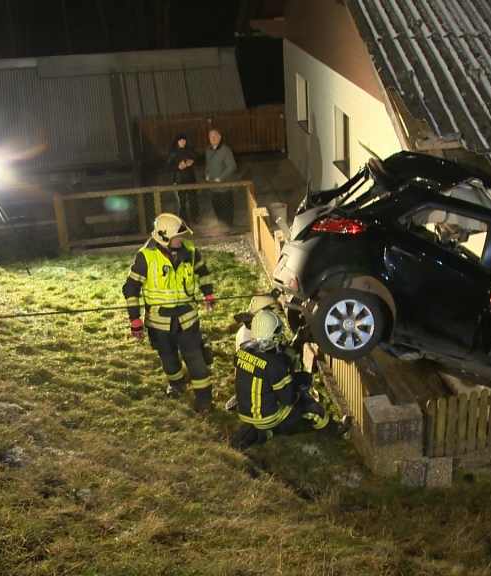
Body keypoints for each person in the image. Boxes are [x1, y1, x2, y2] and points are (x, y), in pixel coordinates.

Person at [123, 213, 217, 412]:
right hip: (159, 323)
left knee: (196, 360)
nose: (182, 240)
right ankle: (176, 384)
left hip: (188, 319)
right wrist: (135, 319)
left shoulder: (190, 252)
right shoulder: (145, 257)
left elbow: (203, 272)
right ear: (164, 237)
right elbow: (131, 288)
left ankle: (205, 401)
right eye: (178, 236)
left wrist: (208, 293)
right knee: (168, 359)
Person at [227, 309, 349, 448]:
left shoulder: (243, 352)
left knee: (301, 378)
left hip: (246, 412)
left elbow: (272, 361)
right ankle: (334, 431)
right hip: (269, 417)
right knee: (311, 408)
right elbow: (288, 398)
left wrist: (295, 343)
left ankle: (262, 433)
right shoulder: (275, 365)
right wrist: (300, 394)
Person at [204, 128, 237, 227]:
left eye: (215, 136)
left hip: (224, 188)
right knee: (217, 208)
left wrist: (221, 178)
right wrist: (207, 174)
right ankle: (222, 227)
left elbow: (232, 166)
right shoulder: (208, 150)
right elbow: (208, 164)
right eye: (211, 136)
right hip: (213, 188)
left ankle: (229, 228)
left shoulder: (225, 150)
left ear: (220, 137)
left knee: (227, 210)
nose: (213, 138)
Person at [164, 133, 199, 223]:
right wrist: (177, 167)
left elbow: (199, 160)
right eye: (180, 141)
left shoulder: (190, 150)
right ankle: (183, 220)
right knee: (181, 201)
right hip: (179, 180)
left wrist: (193, 161)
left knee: (193, 200)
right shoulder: (173, 153)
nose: (182, 142)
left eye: (184, 140)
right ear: (177, 142)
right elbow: (166, 166)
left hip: (191, 179)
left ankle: (195, 217)